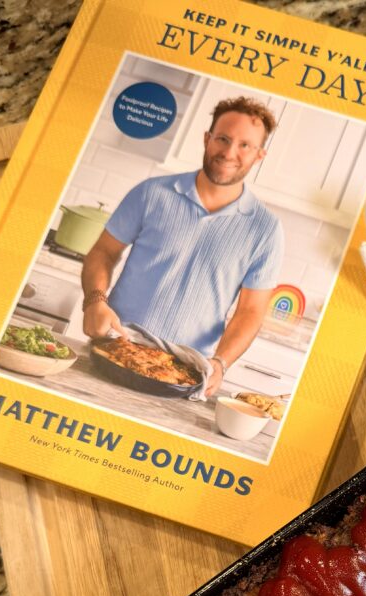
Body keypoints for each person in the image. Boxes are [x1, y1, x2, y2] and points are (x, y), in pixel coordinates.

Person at [81, 96, 284, 397]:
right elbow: (104, 252)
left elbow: (251, 311)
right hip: (115, 349)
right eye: (223, 139)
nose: (229, 152)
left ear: (259, 155)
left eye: (245, 145)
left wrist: (221, 363)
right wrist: (95, 300)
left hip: (184, 374)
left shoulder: (265, 230)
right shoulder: (151, 193)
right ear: (207, 139)